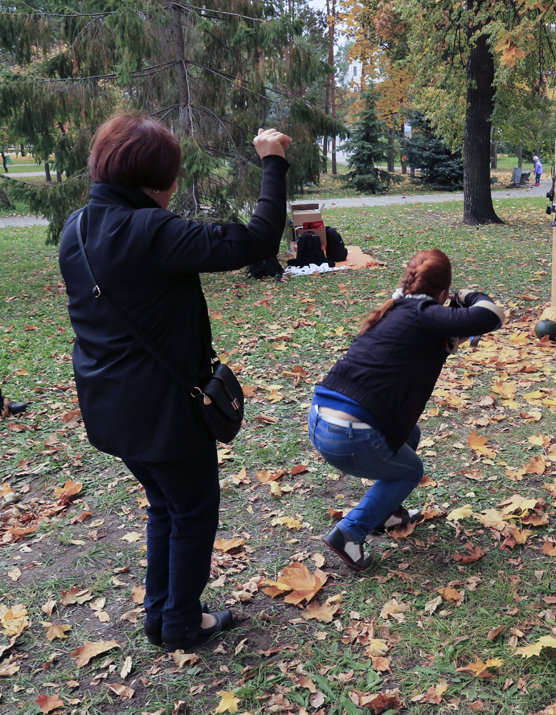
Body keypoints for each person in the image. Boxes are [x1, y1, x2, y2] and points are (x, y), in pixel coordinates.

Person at [58, 114, 292, 651]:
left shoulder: (77, 227)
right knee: (192, 511)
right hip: (163, 413)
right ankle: (183, 622)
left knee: (165, 505)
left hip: (111, 408)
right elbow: (257, 241)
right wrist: (272, 160)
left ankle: (161, 613)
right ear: (156, 181)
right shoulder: (150, 230)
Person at [309, 249, 505, 571]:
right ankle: (349, 532)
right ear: (442, 293)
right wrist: (468, 295)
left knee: (409, 435)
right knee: (411, 469)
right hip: (348, 435)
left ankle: (387, 513)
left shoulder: (397, 309)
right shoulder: (423, 313)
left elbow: (431, 344)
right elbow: (491, 315)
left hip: (321, 418)